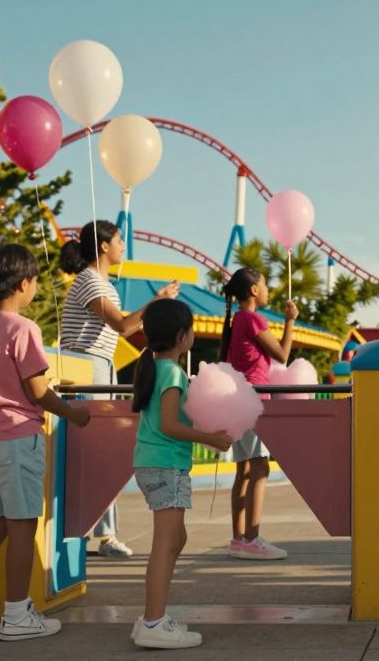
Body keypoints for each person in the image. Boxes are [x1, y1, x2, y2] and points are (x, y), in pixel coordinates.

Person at [0, 244, 92, 641]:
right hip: (18, 435)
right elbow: (38, 390)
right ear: (25, 283)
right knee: (23, 525)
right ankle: (16, 613)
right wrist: (75, 414)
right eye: (35, 280)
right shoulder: (24, 328)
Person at [59, 220, 179, 558]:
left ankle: (103, 532)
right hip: (86, 370)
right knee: (94, 452)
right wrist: (158, 301)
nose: (124, 245)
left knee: (103, 452)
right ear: (103, 247)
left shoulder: (102, 283)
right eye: (120, 240)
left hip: (100, 369)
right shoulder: (89, 281)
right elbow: (123, 326)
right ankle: (95, 533)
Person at [129, 298, 234, 649]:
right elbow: (170, 424)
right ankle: (153, 621)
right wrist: (212, 439)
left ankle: (152, 617)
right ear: (182, 336)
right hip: (166, 464)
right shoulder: (171, 373)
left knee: (175, 540)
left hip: (155, 463)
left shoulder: (155, 368)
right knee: (165, 544)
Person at [220, 267, 299, 560]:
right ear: (253, 290)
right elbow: (282, 354)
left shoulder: (238, 319)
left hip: (236, 399)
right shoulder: (252, 319)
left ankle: (239, 538)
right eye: (264, 285)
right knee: (260, 468)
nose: (267, 289)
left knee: (243, 469)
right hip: (253, 398)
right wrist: (290, 321)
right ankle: (252, 540)